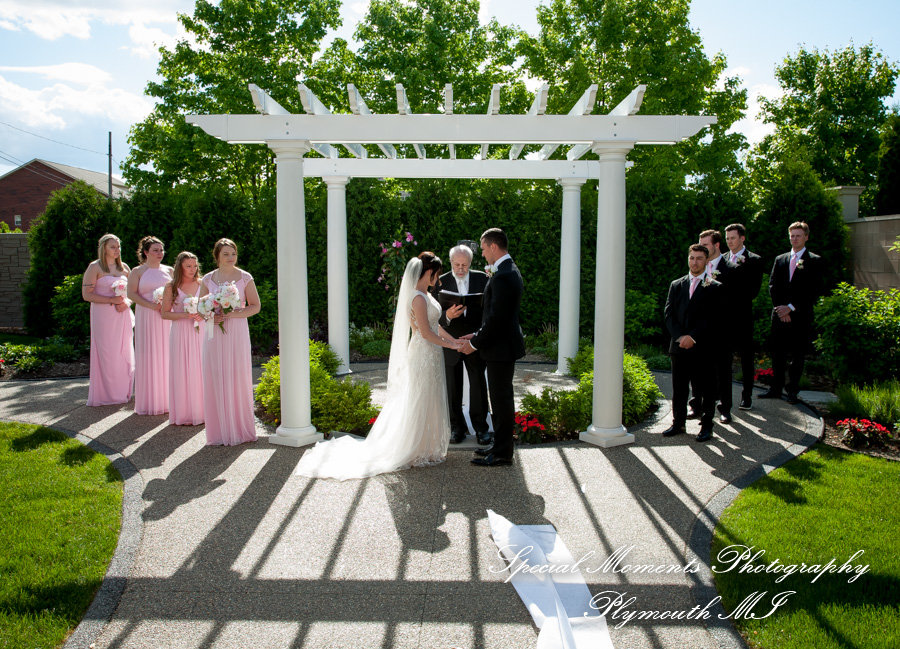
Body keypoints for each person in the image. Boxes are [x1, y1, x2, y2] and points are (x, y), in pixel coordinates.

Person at [297, 252, 463, 480]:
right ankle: (414, 449)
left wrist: (454, 341)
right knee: (419, 398)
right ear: (429, 272)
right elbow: (425, 333)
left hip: (432, 353)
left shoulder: (426, 295)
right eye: (436, 274)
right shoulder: (417, 298)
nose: (438, 279)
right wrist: (451, 346)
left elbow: (435, 326)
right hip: (423, 353)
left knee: (430, 397)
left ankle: (427, 447)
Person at [461, 228, 525, 466]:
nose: (484, 253)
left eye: (485, 248)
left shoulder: (505, 275)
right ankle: (500, 446)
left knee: (501, 402)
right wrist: (476, 333)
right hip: (500, 347)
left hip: (502, 349)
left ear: (494, 247)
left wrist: (474, 343)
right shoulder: (506, 271)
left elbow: (497, 320)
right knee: (500, 401)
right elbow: (496, 316)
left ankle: (502, 453)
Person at [199, 238, 261, 446]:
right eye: (225, 254)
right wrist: (210, 315)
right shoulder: (207, 279)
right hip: (214, 332)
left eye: (233, 253)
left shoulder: (245, 277)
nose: (230, 257)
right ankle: (218, 432)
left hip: (236, 331)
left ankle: (240, 430)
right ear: (216, 256)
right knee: (215, 374)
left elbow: (255, 306)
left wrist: (234, 314)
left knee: (236, 375)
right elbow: (200, 307)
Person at [431, 243, 492, 445]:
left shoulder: (483, 279)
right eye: (456, 264)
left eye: (464, 265)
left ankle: (482, 428)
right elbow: (431, 317)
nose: (460, 269)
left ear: (470, 263)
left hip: (474, 340)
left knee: (478, 385)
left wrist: (477, 336)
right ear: (450, 262)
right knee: (452, 386)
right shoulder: (440, 282)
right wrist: (447, 316)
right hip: (450, 341)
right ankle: (456, 428)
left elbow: (489, 312)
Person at [663, 244, 723, 442]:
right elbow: (669, 314)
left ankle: (707, 427)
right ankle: (678, 423)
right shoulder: (676, 285)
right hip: (679, 347)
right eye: (692, 258)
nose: (694, 262)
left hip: (703, 347)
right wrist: (680, 337)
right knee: (679, 388)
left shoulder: (715, 287)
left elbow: (714, 319)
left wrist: (693, 337)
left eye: (699, 258)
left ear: (706, 261)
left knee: (706, 389)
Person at [759, 221, 823, 404]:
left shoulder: (815, 261)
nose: (794, 239)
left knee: (797, 354)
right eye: (792, 235)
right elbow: (773, 285)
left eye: (798, 235)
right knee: (777, 353)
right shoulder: (781, 259)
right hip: (779, 315)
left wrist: (791, 307)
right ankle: (775, 388)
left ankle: (792, 390)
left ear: (806, 237)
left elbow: (813, 289)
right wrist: (781, 308)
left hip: (800, 316)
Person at [83, 234, 135, 406]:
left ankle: (122, 392)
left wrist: (126, 302)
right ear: (104, 248)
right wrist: (111, 301)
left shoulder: (125, 268)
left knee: (123, 351)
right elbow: (86, 294)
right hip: (103, 316)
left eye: (118, 246)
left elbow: (133, 294)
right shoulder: (95, 267)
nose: (117, 250)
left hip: (122, 315)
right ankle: (106, 395)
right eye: (113, 246)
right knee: (107, 353)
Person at [693, 229, 737, 423]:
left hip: (722, 330)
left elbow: (735, 301)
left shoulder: (731, 269)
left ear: (717, 245)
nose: (702, 248)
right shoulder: (697, 266)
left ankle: (725, 408)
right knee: (697, 369)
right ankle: (697, 406)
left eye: (706, 245)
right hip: (699, 329)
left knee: (723, 370)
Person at [128, 236, 173, 415]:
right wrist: (152, 306)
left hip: (166, 317)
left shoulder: (169, 270)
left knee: (166, 354)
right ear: (145, 252)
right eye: (155, 250)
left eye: (161, 250)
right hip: (147, 315)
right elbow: (131, 294)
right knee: (148, 354)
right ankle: (149, 401)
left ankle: (168, 399)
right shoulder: (138, 271)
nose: (160, 253)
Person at [161, 251, 205, 426]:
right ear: (179, 267)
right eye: (188, 266)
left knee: (200, 367)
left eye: (195, 266)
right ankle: (184, 412)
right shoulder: (170, 287)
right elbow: (165, 314)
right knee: (182, 369)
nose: (193, 270)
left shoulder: (204, 284)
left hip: (200, 331)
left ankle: (202, 411)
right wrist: (185, 315)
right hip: (180, 332)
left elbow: (211, 308)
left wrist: (202, 314)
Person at [724, 223, 764, 410]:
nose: (729, 241)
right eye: (727, 238)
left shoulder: (754, 260)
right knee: (723, 358)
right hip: (723, 319)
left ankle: (746, 396)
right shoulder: (721, 260)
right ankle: (722, 396)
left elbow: (753, 290)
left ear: (742, 238)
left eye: (732, 238)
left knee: (747, 358)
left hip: (743, 317)